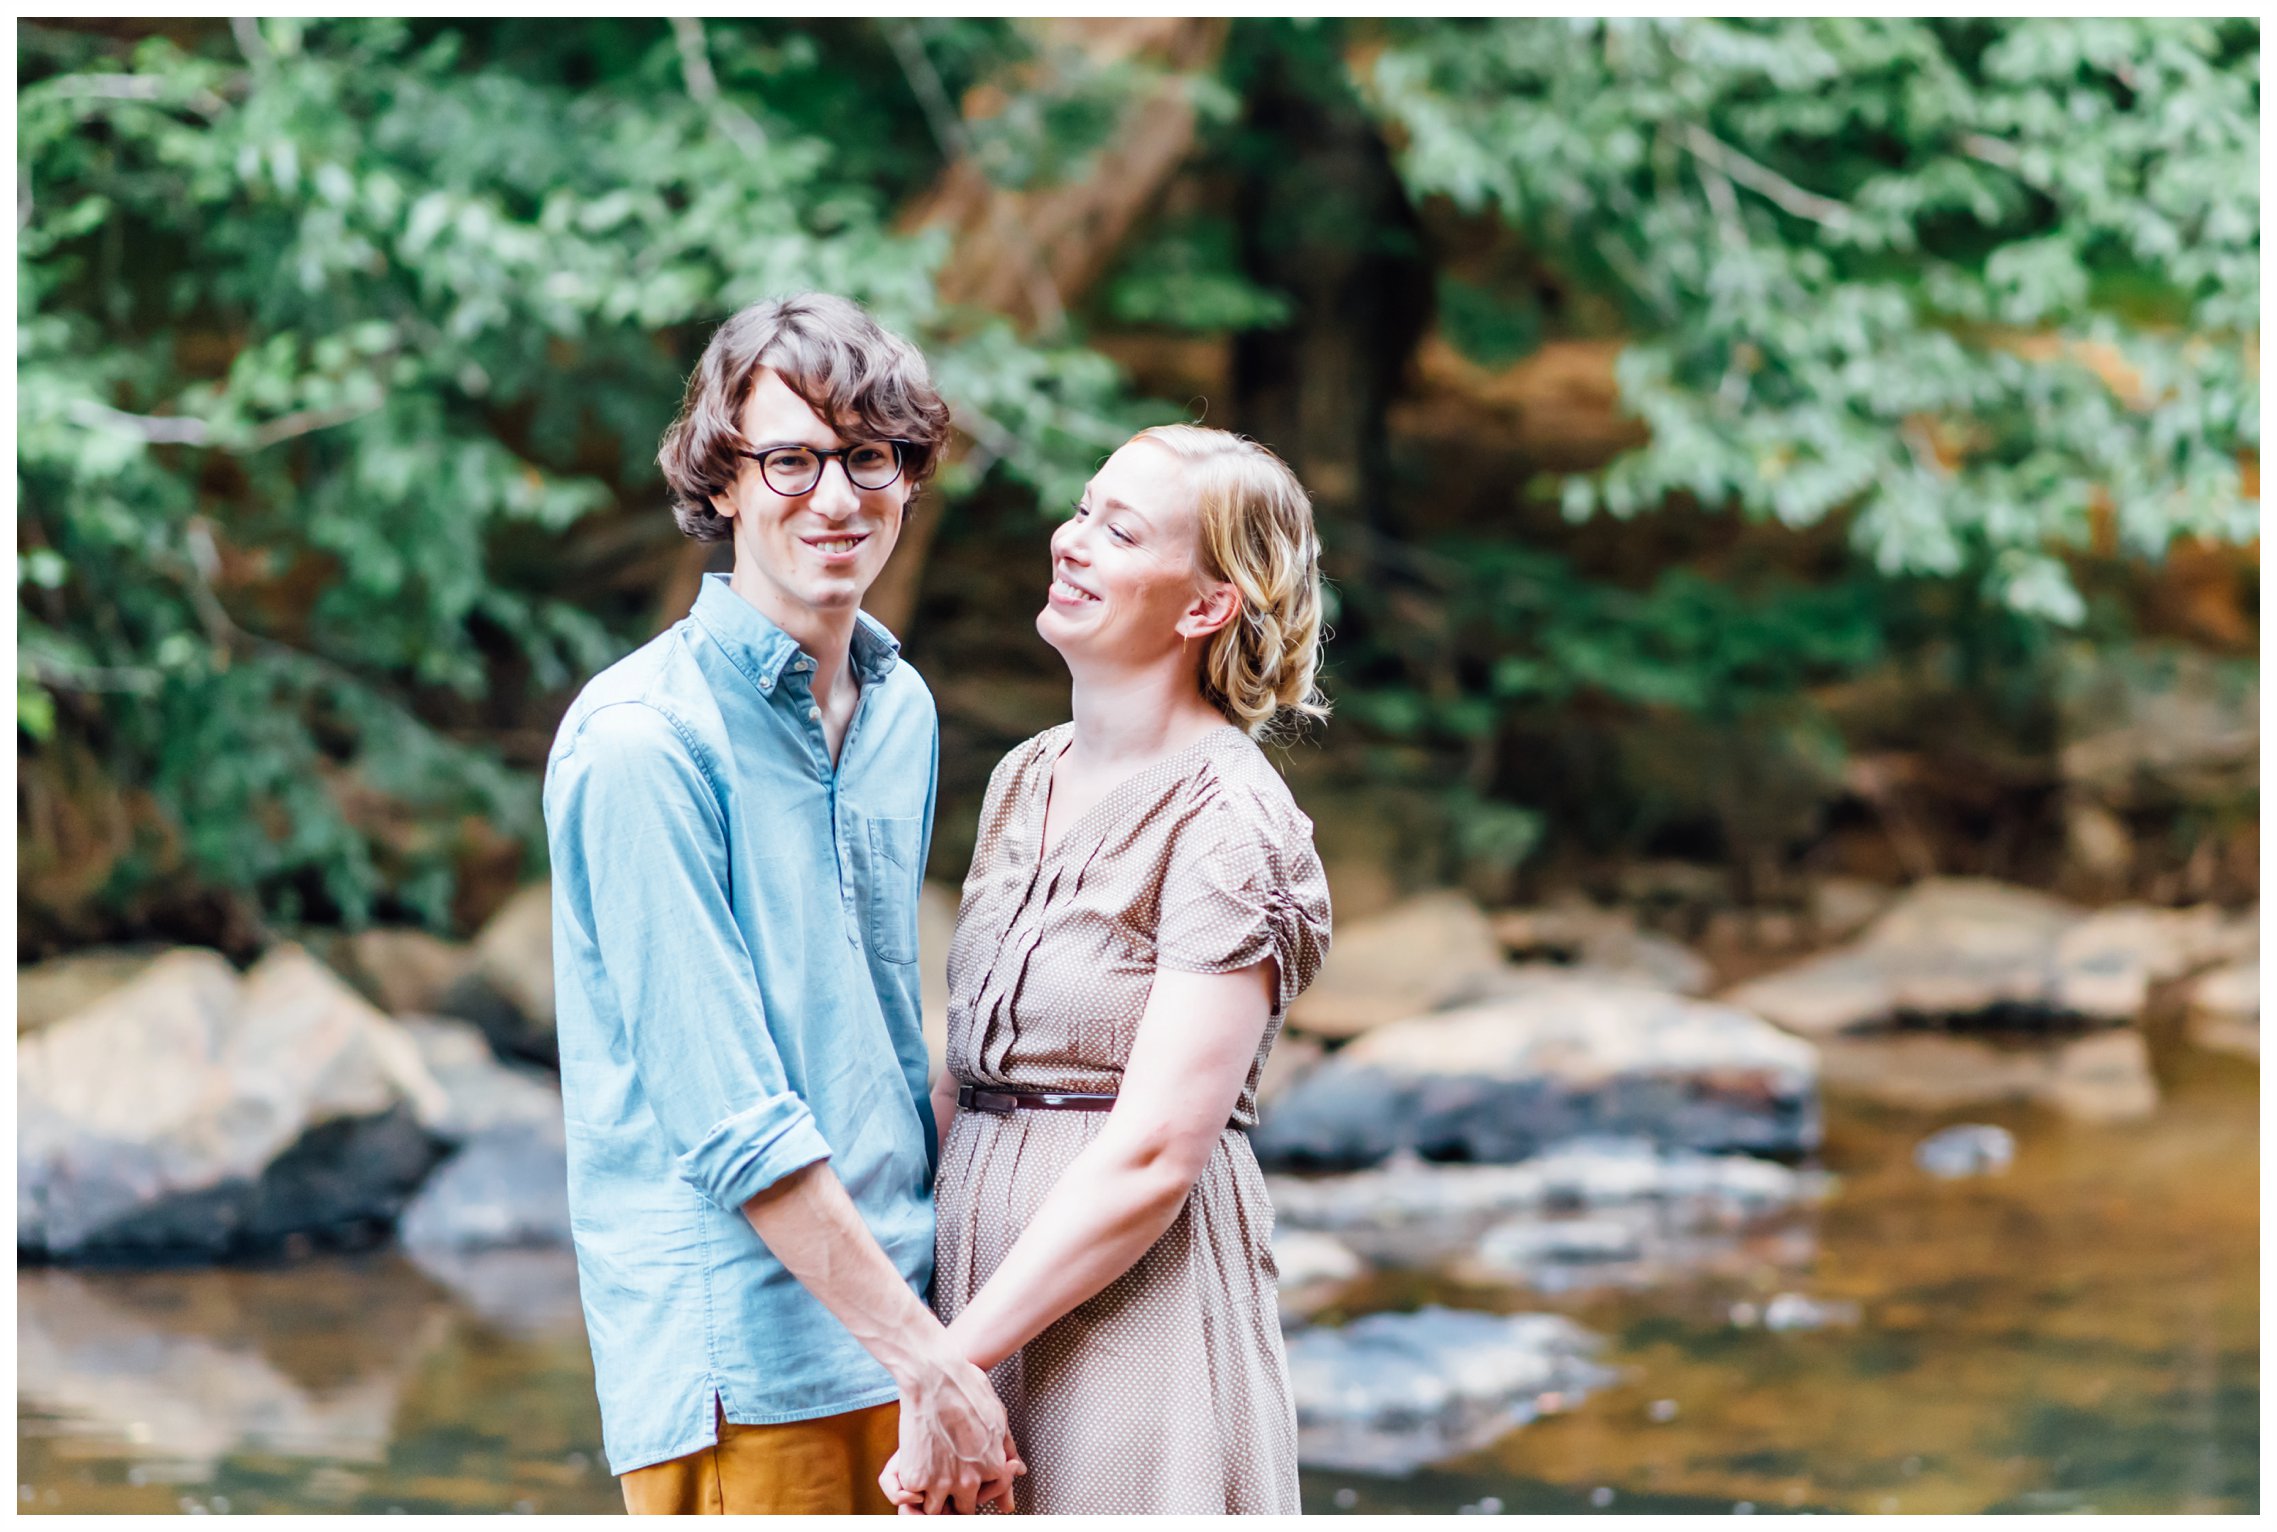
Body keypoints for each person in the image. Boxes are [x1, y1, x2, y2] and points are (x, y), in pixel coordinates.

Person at [543, 293, 1021, 1515]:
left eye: (869, 457)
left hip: (912, 1323)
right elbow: (729, 1122)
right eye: (792, 459)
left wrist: (939, 1337)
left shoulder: (899, 709)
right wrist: (929, 1356)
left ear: (909, 477)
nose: (836, 497)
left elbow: (876, 1033)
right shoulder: (644, 743)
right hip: (743, 1365)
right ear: (725, 479)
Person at [885, 423, 1334, 1514]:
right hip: (968, 1295)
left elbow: (1153, 1153)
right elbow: (963, 1072)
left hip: (1136, 1319)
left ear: (1205, 606)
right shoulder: (1023, 776)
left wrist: (948, 1361)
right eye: (1083, 509)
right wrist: (915, 1329)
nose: (1071, 541)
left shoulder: (1229, 822)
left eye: (1119, 530)